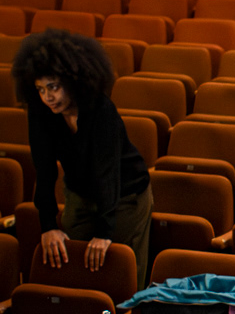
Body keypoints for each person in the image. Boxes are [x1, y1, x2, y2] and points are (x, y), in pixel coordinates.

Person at [10, 28, 153, 286]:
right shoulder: (40, 111)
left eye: (53, 87)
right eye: (40, 89)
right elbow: (44, 170)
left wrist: (104, 232)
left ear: (72, 81)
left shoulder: (101, 110)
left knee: (120, 274)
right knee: (75, 270)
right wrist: (48, 226)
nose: (47, 97)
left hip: (126, 195)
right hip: (79, 192)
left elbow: (107, 174)